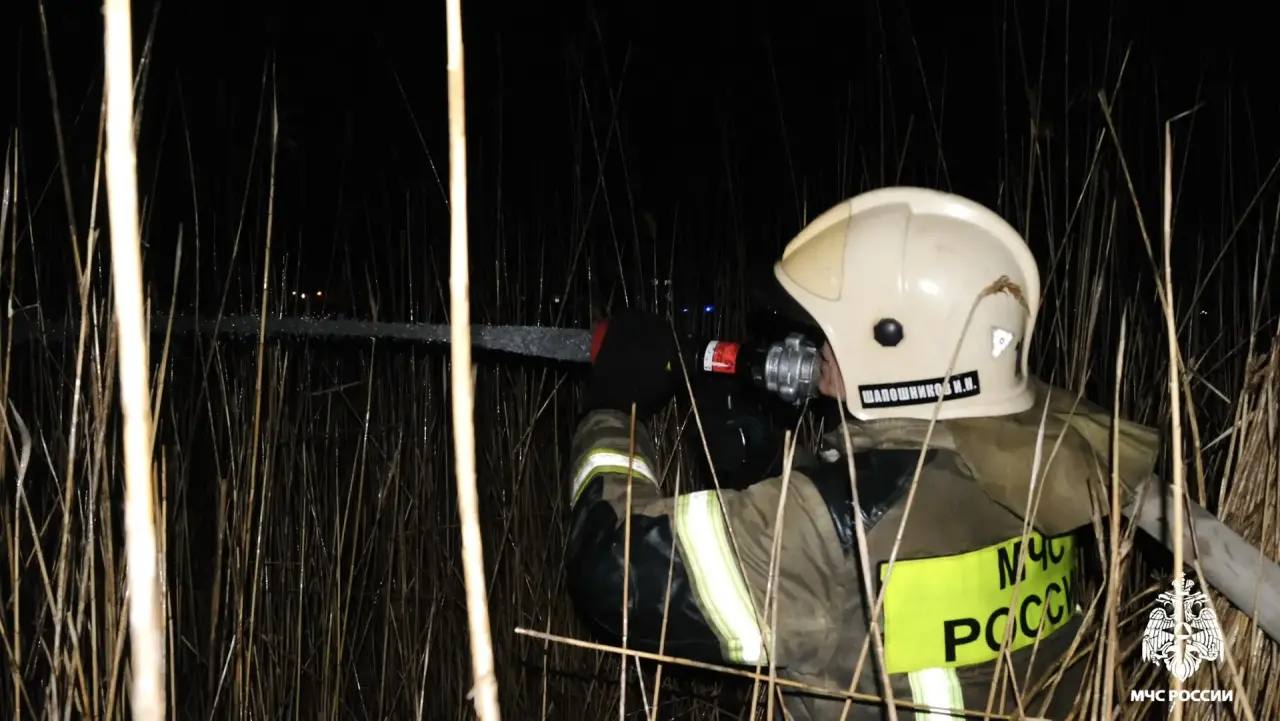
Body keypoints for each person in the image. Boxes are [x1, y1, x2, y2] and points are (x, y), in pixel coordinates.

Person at [564, 187, 1160, 719]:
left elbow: (613, 574)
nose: (816, 346)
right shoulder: (1048, 455)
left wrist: (614, 408)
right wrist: (770, 475)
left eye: (832, 330)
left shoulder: (836, 520)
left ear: (894, 343)